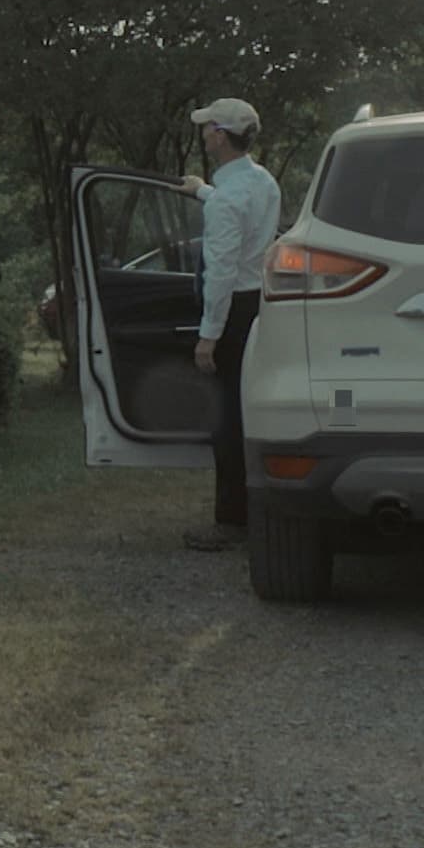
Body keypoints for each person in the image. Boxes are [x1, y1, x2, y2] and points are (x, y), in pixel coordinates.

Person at [177, 97, 283, 552]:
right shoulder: (262, 183)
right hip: (259, 304)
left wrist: (208, 336)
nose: (203, 135)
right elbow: (234, 208)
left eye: (207, 129)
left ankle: (230, 520)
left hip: (232, 312)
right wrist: (201, 190)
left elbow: (219, 272)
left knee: (227, 419)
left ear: (221, 134)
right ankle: (255, 510)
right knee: (248, 412)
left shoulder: (229, 200)